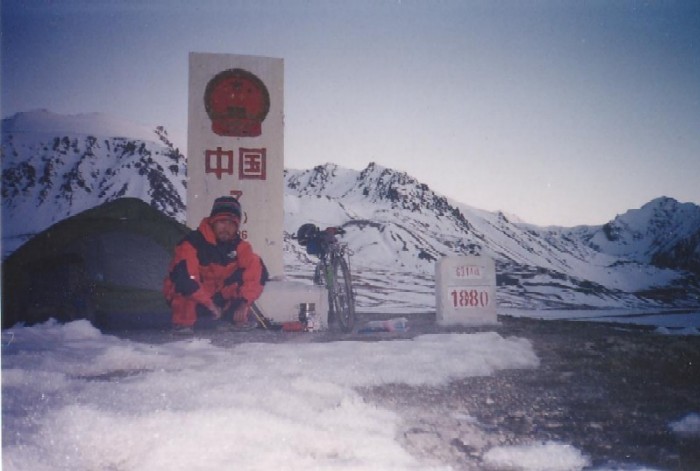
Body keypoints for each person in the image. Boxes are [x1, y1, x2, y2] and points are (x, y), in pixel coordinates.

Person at [163, 196, 268, 333]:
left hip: (217, 299)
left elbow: (257, 272)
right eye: (222, 222)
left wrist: (244, 302)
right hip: (195, 299)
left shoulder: (240, 247)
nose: (226, 228)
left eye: (232, 224)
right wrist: (210, 305)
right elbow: (186, 280)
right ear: (212, 222)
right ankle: (183, 325)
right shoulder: (191, 243)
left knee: (254, 262)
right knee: (183, 287)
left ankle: (234, 320)